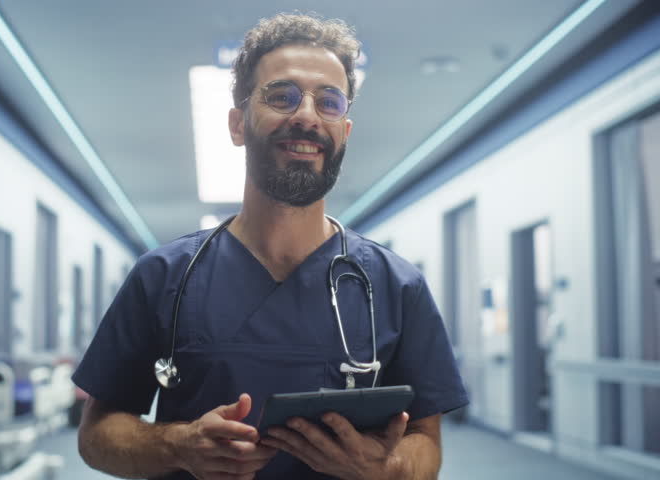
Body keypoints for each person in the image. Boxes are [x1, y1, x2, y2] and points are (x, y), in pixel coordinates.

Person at [73, 13, 468, 480]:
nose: (306, 115)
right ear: (238, 124)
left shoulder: (395, 286)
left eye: (329, 102)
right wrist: (177, 444)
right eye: (282, 96)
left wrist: (386, 468)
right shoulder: (165, 276)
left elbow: (427, 444)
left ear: (343, 132)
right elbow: (96, 434)